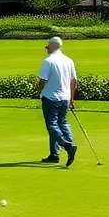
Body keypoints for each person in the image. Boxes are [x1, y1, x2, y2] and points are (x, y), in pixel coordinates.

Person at [33, 36, 77, 166]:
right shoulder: (69, 61)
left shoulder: (48, 61)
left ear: (52, 46)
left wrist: (39, 90)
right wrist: (72, 99)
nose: (46, 49)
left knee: (52, 125)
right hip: (65, 98)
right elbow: (73, 81)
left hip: (50, 97)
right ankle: (55, 154)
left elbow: (42, 80)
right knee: (62, 123)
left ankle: (66, 145)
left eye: (48, 47)